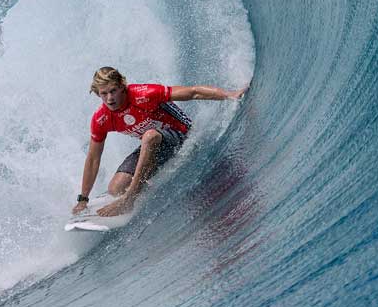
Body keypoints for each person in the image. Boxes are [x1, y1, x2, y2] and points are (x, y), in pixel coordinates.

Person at [74, 66, 248, 217]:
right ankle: (141, 182)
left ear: (121, 87)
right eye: (103, 94)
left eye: (113, 91)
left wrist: (230, 95)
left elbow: (193, 92)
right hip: (155, 145)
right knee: (115, 189)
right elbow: (93, 159)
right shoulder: (101, 119)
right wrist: (83, 198)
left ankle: (130, 198)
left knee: (149, 136)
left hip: (180, 135)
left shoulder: (144, 94)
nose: (109, 98)